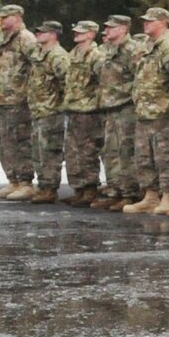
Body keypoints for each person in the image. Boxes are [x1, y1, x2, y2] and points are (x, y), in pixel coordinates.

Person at [124, 8, 169, 215]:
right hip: (145, 111)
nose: (145, 24)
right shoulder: (146, 46)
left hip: (163, 113)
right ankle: (150, 195)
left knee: (165, 157)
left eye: (151, 21)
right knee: (144, 157)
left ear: (163, 22)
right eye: (145, 21)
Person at [0, 4, 41, 201]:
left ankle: (26, 182)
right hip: (4, 100)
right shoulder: (6, 40)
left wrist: (30, 92)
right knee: (6, 142)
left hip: (19, 100)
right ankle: (14, 180)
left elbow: (38, 65)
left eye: (4, 17)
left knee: (20, 141)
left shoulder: (26, 39)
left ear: (16, 17)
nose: (1, 21)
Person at [92, 15, 141, 209]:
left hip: (126, 107)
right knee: (111, 151)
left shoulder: (132, 50)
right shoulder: (110, 50)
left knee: (126, 151)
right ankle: (116, 190)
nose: (107, 31)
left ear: (123, 29)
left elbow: (140, 78)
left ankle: (130, 193)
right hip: (110, 107)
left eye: (112, 27)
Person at [60, 19, 104, 206]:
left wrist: (96, 102)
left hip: (89, 111)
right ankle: (78, 187)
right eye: (76, 31)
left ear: (91, 34)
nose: (76, 33)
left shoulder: (96, 56)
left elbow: (103, 81)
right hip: (73, 109)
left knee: (87, 151)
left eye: (81, 31)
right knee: (72, 151)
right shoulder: (73, 54)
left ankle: (90, 188)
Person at [26, 21, 70, 204]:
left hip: (51, 112)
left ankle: (50, 188)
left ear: (53, 34)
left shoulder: (58, 56)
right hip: (38, 111)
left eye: (42, 32)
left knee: (49, 152)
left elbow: (66, 83)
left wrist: (60, 105)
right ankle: (43, 185)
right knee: (38, 152)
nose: (38, 35)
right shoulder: (40, 55)